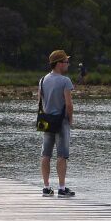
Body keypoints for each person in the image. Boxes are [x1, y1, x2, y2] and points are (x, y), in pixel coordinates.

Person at [37, 49, 76, 196]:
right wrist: (70, 119)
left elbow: (40, 101)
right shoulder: (65, 81)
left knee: (45, 154)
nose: (68, 64)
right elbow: (69, 104)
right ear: (59, 63)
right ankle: (61, 188)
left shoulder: (42, 80)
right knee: (62, 155)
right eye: (66, 61)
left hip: (47, 121)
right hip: (61, 121)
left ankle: (46, 187)